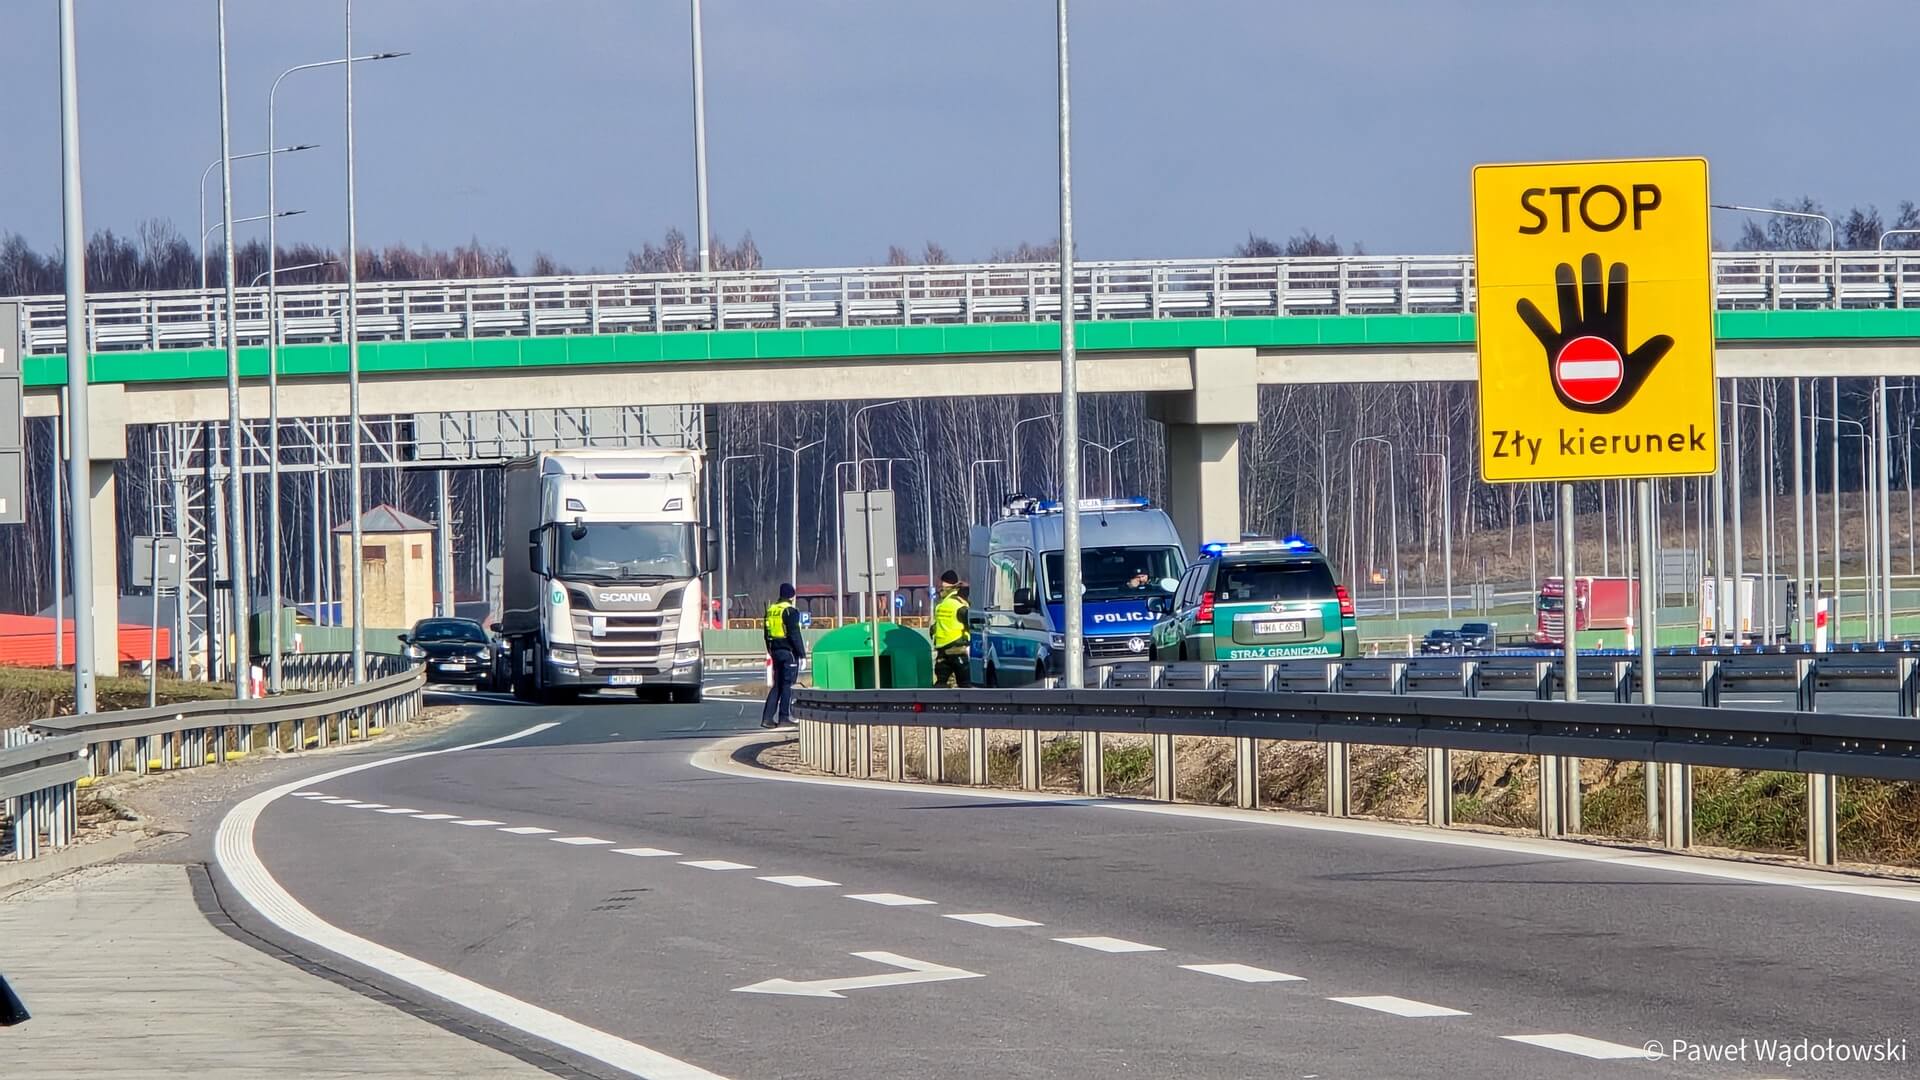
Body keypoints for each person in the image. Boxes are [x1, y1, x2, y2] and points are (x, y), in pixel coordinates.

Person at [761, 584, 805, 729]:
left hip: (775, 651)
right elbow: (794, 634)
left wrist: (770, 650)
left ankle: (767, 718)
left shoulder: (771, 610)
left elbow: (766, 633)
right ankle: (784, 717)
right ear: (792, 596)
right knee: (787, 685)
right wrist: (802, 654)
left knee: (777, 685)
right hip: (788, 652)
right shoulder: (790, 611)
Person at [931, 569, 971, 688]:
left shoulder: (942, 605)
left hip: (944, 651)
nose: (940, 590)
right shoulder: (959, 603)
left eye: (942, 586)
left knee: (941, 686)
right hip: (957, 649)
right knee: (965, 685)